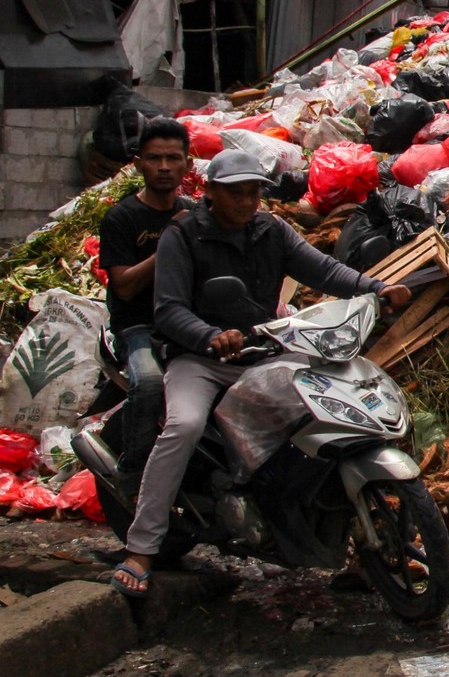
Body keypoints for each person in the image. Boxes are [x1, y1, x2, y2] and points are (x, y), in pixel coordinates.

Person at [111, 148, 411, 597]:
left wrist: (376, 289)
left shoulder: (271, 230)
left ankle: (358, 543)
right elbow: (168, 310)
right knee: (184, 425)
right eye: (236, 193)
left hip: (264, 352)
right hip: (200, 359)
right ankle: (142, 547)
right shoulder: (182, 234)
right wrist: (210, 335)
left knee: (327, 417)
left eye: (254, 192)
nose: (247, 201)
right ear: (210, 192)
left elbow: (323, 268)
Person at [99, 117, 193, 502]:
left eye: (174, 158)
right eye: (155, 158)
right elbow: (123, 285)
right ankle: (132, 471)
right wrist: (171, 241)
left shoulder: (192, 212)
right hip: (136, 328)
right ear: (138, 163)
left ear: (188, 163)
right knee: (150, 383)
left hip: (184, 324)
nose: (165, 167)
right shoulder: (122, 218)